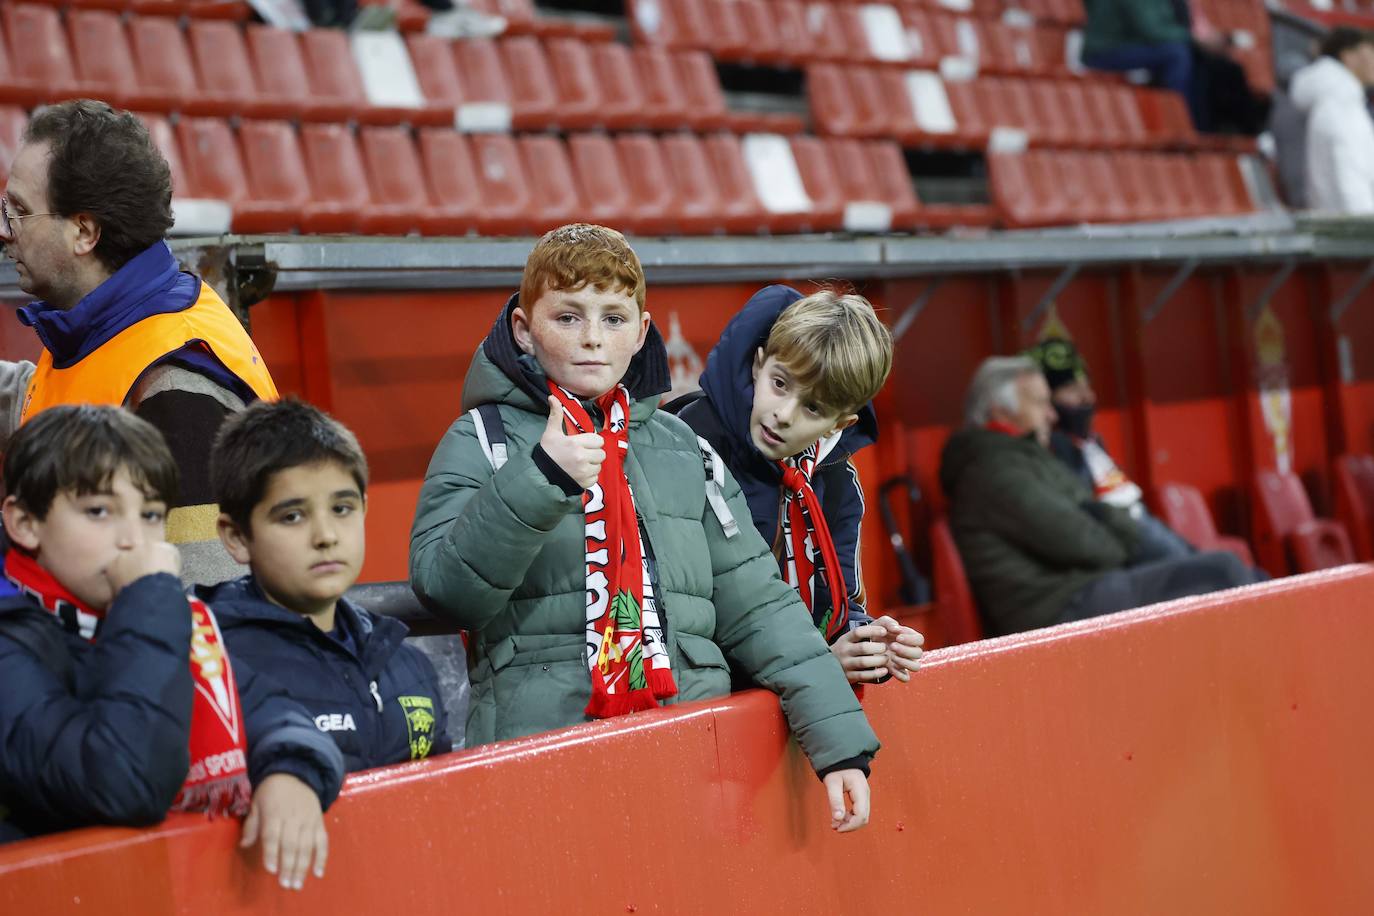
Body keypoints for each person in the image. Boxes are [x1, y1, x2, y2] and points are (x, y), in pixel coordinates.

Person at [410, 224, 879, 832]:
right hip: (544, 763)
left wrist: (841, 744)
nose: (591, 340)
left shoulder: (683, 447)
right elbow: (448, 591)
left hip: (695, 757)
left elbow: (761, 608)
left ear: (640, 333)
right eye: (568, 317)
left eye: (612, 319)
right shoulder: (482, 440)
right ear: (524, 331)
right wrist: (539, 479)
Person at [0, 406, 342, 891]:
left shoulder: (168, 621)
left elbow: (271, 710)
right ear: (25, 522)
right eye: (98, 511)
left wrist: (291, 771)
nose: (132, 539)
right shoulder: (15, 642)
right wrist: (149, 597)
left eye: (151, 514)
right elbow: (125, 781)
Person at [0, 99, 278, 580]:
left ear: (83, 232)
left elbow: (205, 606)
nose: (6, 232)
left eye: (19, 211)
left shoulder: (177, 388)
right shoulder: (117, 322)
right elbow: (51, 398)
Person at [672, 285, 923, 687]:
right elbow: (680, 626)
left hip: (790, 699)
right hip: (704, 700)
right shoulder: (682, 442)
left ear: (841, 424)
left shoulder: (835, 476)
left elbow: (836, 606)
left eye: (813, 408)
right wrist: (814, 664)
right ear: (758, 365)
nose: (783, 415)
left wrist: (868, 642)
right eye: (780, 384)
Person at [197, 398, 452, 772]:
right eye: (293, 516)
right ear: (236, 536)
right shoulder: (212, 669)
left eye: (342, 508)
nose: (326, 535)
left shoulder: (406, 664)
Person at [938, 357, 1259, 636]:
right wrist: (1118, 528)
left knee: (1245, 574)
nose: (1052, 415)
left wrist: (1105, 521)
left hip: (1082, 589)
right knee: (1222, 571)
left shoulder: (1024, 458)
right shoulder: (995, 472)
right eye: (1039, 403)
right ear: (1000, 411)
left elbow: (1092, 516)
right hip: (1055, 609)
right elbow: (1083, 541)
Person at [1023, 337, 1194, 562]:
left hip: (1148, 534)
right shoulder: (1053, 454)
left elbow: (1131, 505)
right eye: (1074, 390)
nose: (1088, 398)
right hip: (1126, 549)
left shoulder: (1093, 445)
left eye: (1087, 387)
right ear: (1048, 402)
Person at [1290, 28, 1374, 215]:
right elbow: (1351, 181)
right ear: (1348, 56)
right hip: (1352, 235)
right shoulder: (1340, 106)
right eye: (1371, 51)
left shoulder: (1339, 101)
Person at [1081, 0, 1203, 129]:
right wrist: (1195, 38)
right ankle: (1175, 120)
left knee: (1195, 56)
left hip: (1124, 46)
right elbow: (1152, 31)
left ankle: (1201, 125)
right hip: (1105, 51)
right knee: (1177, 55)